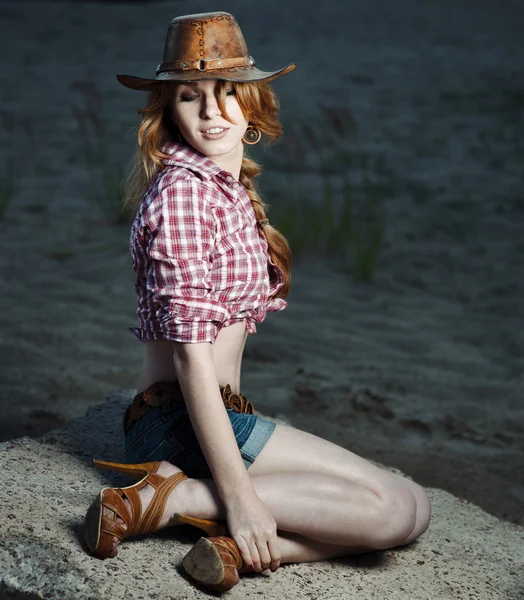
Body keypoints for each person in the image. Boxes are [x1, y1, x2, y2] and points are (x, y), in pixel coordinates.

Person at [84, 11, 431, 593]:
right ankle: (175, 498)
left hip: (215, 416)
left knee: (414, 507)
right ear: (169, 110)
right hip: (180, 422)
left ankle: (230, 553)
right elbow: (193, 357)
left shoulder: (222, 187)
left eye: (226, 94)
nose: (212, 112)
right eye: (191, 97)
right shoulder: (186, 198)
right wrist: (239, 500)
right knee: (395, 512)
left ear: (250, 102)